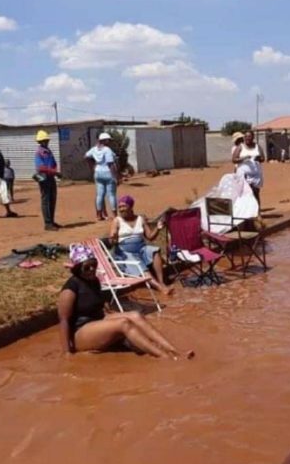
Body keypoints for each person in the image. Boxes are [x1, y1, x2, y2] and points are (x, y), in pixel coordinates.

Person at [57, 244, 193, 359]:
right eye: (87, 267)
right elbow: (64, 321)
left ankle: (173, 350)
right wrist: (67, 353)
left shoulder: (94, 280)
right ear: (77, 268)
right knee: (124, 323)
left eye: (93, 265)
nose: (92, 269)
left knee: (135, 315)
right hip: (80, 333)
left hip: (96, 320)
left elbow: (99, 303)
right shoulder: (70, 289)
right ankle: (165, 357)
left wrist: (109, 313)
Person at [110, 195, 172, 294]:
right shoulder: (117, 221)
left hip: (141, 248)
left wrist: (158, 228)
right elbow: (112, 241)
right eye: (119, 207)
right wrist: (113, 238)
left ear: (131, 207)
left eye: (123, 206)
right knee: (139, 264)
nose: (121, 209)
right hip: (125, 252)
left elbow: (150, 237)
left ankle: (161, 282)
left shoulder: (140, 219)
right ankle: (159, 288)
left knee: (154, 251)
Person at [85, 132, 119, 220]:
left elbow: (86, 156)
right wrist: (115, 177)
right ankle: (115, 215)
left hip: (98, 172)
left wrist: (92, 166)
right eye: (108, 140)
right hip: (108, 172)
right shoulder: (107, 150)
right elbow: (110, 164)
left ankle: (99, 215)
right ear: (105, 140)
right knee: (111, 194)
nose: (109, 142)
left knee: (100, 195)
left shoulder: (94, 149)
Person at [34, 130, 61, 230]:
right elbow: (40, 168)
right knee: (46, 200)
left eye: (47, 140)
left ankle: (52, 221)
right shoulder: (39, 152)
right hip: (44, 178)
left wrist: (55, 172)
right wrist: (54, 172)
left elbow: (53, 163)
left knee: (52, 199)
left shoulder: (48, 151)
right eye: (44, 140)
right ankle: (47, 223)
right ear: (40, 142)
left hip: (51, 177)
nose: (46, 142)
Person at [232, 130, 265, 206]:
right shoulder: (240, 147)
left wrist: (259, 158)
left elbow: (263, 158)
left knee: (256, 192)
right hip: (244, 175)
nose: (247, 138)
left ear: (253, 137)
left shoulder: (257, 146)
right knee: (245, 193)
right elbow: (234, 160)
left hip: (256, 175)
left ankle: (257, 212)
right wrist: (243, 158)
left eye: (249, 136)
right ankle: (246, 213)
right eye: (246, 136)